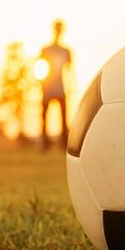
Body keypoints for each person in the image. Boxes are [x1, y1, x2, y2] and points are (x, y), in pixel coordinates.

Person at [37, 20, 73, 151]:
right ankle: (44, 144)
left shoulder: (66, 51)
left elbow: (70, 70)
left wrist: (70, 87)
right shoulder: (45, 50)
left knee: (63, 118)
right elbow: (40, 67)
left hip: (60, 88)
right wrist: (41, 85)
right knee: (44, 117)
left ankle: (64, 144)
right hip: (47, 87)